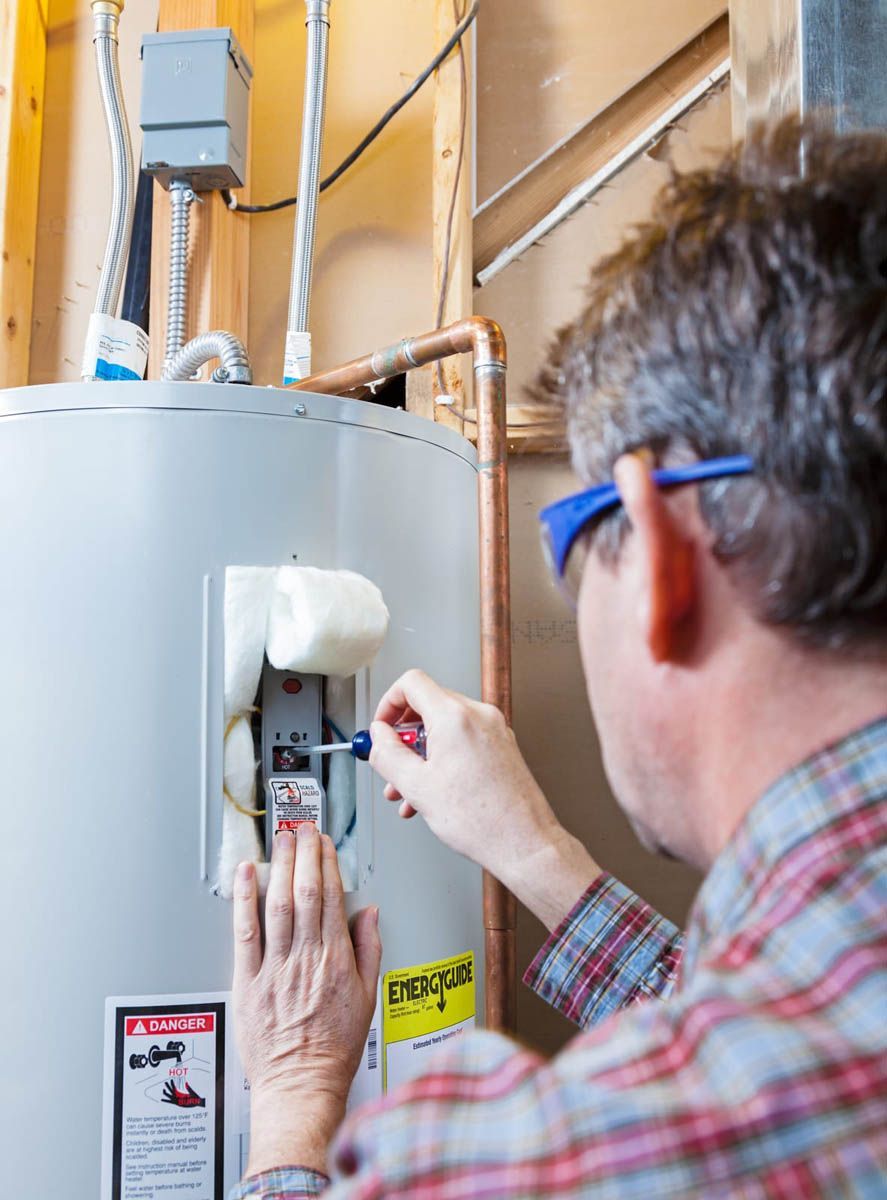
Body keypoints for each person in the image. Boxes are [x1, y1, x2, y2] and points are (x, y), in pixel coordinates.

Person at [229, 120, 887, 1198]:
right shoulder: (830, 998)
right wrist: (530, 849)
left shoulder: (527, 1167)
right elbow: (764, 1026)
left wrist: (295, 1102)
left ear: (664, 555)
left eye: (570, 531)